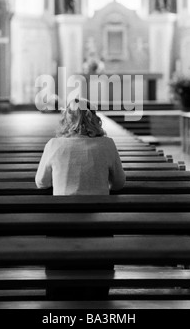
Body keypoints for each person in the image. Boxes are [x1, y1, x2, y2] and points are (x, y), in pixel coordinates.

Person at [35, 98, 126, 300]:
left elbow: (41, 182)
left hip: (61, 225)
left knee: (59, 280)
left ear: (67, 119)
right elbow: (119, 183)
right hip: (100, 225)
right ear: (94, 117)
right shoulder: (107, 144)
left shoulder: (54, 145)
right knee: (98, 280)